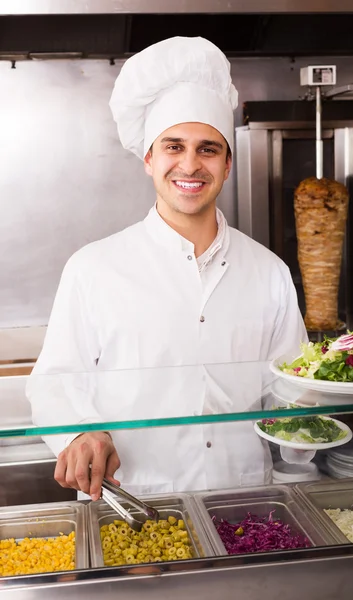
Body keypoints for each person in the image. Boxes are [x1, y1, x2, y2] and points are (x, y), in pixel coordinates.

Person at [27, 36, 307, 501]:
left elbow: (290, 395)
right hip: (135, 506)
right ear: (149, 159)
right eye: (173, 146)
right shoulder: (94, 269)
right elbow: (55, 382)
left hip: (243, 506)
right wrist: (77, 436)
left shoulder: (269, 272)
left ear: (228, 163)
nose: (190, 164)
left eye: (208, 149)